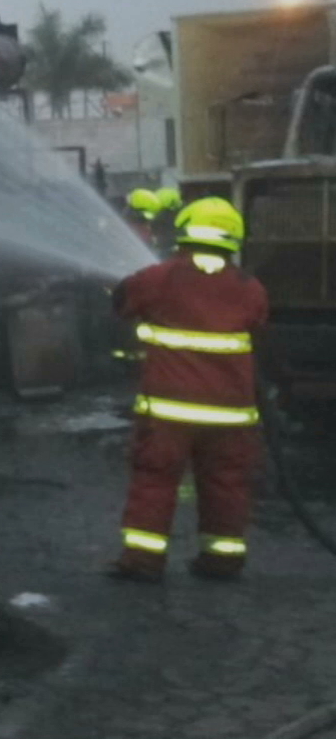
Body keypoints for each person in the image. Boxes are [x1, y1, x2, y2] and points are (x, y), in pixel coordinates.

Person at [109, 197, 268, 582]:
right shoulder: (251, 289)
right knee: (226, 482)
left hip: (169, 413)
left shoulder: (160, 278)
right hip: (231, 416)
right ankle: (223, 559)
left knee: (155, 479)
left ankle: (143, 562)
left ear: (185, 229)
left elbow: (122, 302)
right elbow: (260, 335)